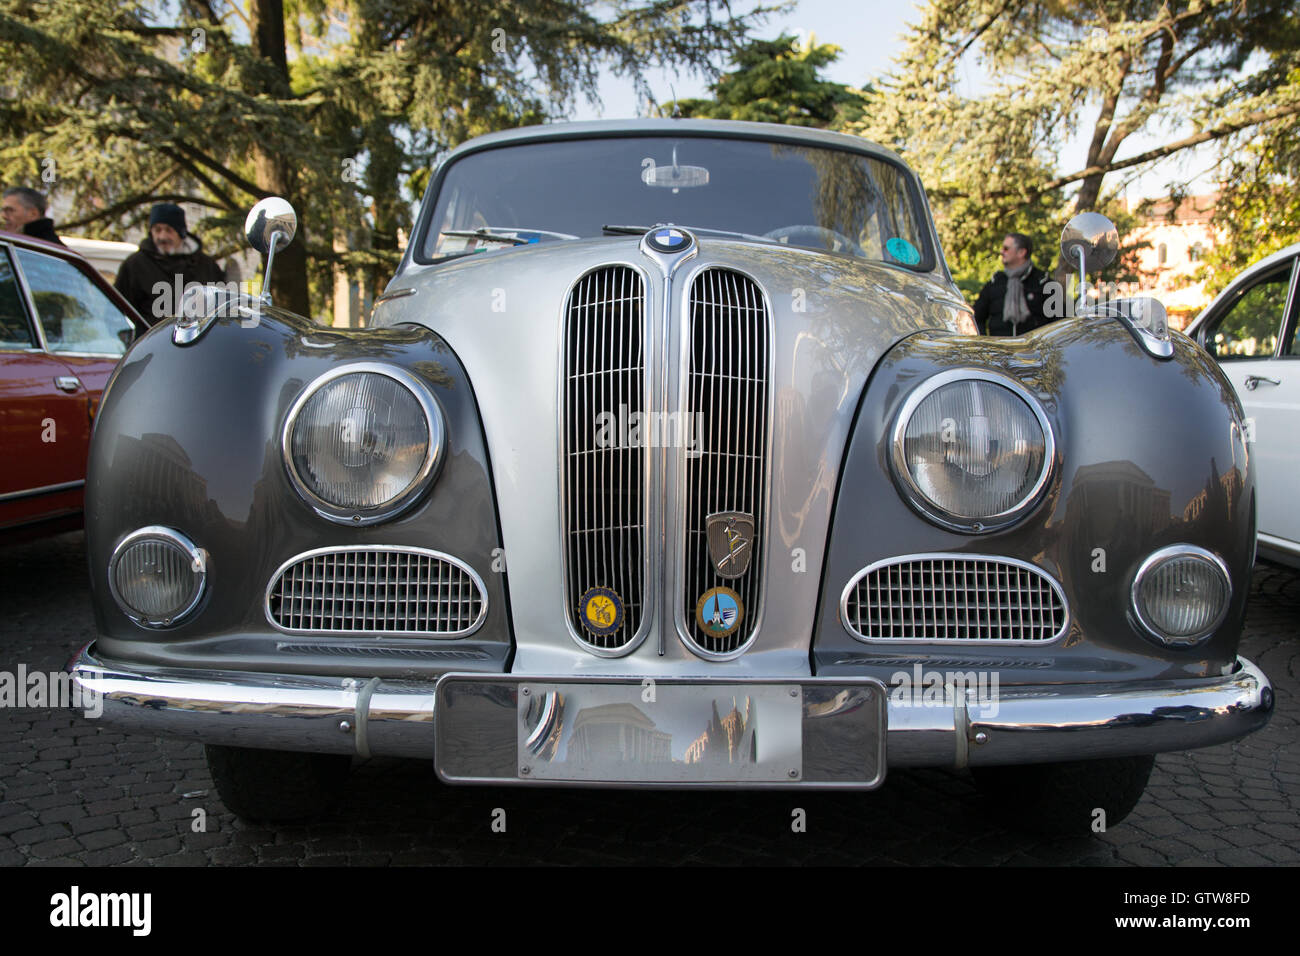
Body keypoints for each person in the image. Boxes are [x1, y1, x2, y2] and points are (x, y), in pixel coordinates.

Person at [114, 203, 226, 321]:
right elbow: (118, 310)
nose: (162, 236)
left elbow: (222, 307)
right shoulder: (134, 266)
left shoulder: (207, 266)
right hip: (152, 337)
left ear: (181, 233)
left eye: (169, 230)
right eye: (157, 230)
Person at [973, 233, 1052, 336]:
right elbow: (976, 317)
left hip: (1033, 350)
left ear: (1021, 252)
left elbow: (1060, 322)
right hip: (1000, 350)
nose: (1001, 252)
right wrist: (985, 343)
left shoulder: (1043, 283)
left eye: (1006, 249)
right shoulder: (995, 283)